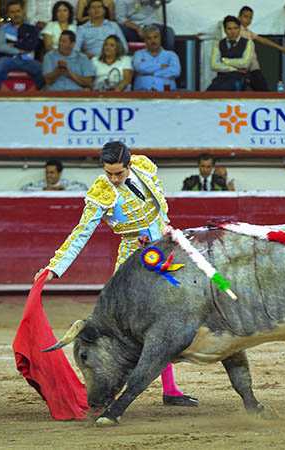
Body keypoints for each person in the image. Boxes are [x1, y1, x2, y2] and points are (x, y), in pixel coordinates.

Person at [33, 141, 198, 408]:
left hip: (166, 249)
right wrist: (55, 267)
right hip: (134, 257)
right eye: (108, 172)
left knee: (173, 316)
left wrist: (164, 228)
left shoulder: (143, 166)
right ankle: (109, 384)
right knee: (138, 324)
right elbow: (81, 232)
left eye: (118, 173)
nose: (113, 179)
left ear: (129, 165)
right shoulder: (102, 191)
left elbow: (157, 208)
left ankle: (170, 390)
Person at [237, 5, 285, 91]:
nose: (248, 20)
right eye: (245, 17)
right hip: (242, 67)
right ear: (239, 17)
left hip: (253, 67)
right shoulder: (236, 31)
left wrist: (281, 48)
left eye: (250, 18)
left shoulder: (248, 32)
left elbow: (263, 40)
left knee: (263, 91)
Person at [0, 0, 44, 88]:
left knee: (43, 70)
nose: (16, 14)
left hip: (28, 60)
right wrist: (19, 51)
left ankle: (31, 92)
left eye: (18, 11)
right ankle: (5, 91)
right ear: (8, 14)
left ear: (23, 12)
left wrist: (13, 45)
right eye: (12, 12)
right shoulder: (3, 28)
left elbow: (32, 45)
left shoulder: (31, 28)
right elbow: (1, 47)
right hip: (9, 60)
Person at [206, 15, 254, 92]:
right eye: (229, 29)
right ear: (225, 30)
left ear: (239, 29)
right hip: (221, 78)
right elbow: (214, 65)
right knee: (209, 92)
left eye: (235, 28)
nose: (233, 32)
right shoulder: (218, 44)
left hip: (239, 77)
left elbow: (245, 63)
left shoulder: (248, 43)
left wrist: (224, 60)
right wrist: (234, 69)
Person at [132, 23, 179, 91]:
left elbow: (175, 71)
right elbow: (139, 67)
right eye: (149, 38)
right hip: (142, 92)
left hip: (167, 92)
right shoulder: (139, 54)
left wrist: (154, 73)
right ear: (145, 40)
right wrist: (161, 66)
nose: (153, 41)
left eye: (155, 37)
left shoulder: (171, 55)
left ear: (160, 38)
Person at [21, 159, 88, 191]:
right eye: (47, 172)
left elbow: (84, 188)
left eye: (52, 173)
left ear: (59, 174)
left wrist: (66, 189)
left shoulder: (66, 184)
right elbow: (23, 190)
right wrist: (42, 189)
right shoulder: (41, 184)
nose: (48, 175)